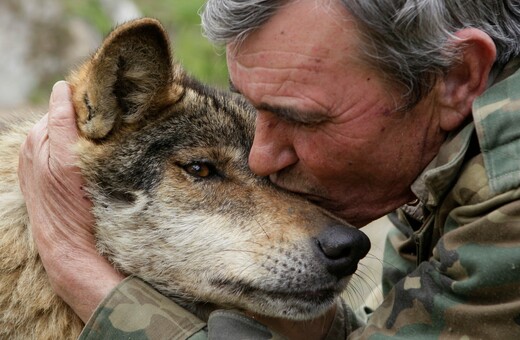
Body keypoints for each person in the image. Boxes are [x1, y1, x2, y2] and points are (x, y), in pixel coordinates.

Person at [18, 0, 520, 338]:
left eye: (302, 117)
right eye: (259, 112)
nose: (262, 158)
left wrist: (71, 261)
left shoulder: (509, 198)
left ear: (456, 77)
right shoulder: (445, 161)